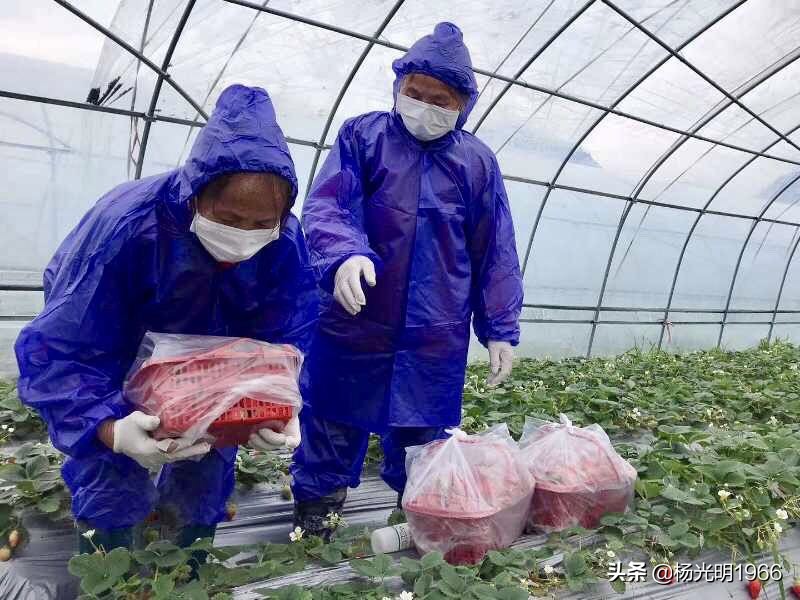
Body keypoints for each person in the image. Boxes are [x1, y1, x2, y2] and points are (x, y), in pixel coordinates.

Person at [14, 84, 318, 554]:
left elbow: (287, 336)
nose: (245, 236)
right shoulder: (129, 225)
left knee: (206, 462)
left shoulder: (283, 242)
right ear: (197, 195)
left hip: (214, 374)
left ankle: (184, 562)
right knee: (111, 473)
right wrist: (109, 428)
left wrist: (281, 399)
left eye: (262, 223)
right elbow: (65, 348)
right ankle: (108, 567)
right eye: (231, 218)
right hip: (114, 353)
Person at [292, 22, 523, 538]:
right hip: (357, 310)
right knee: (334, 407)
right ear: (398, 86)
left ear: (462, 104)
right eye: (414, 93)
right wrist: (344, 254)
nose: (423, 106)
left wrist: (500, 326)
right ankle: (318, 505)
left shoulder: (477, 162)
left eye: (439, 99)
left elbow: (494, 248)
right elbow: (330, 204)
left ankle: (419, 505)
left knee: (422, 424)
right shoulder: (363, 135)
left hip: (434, 323)